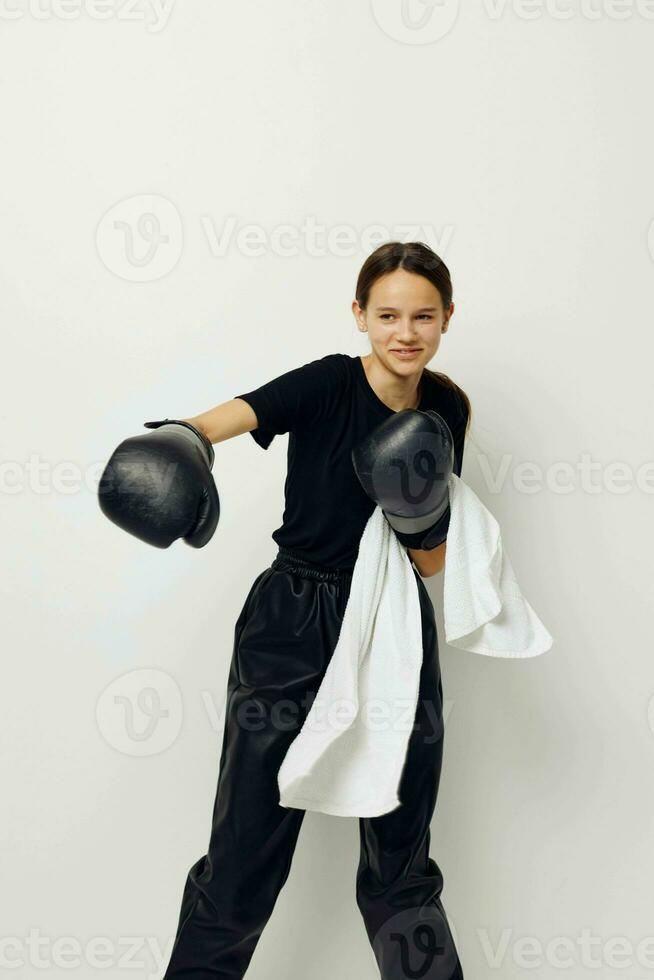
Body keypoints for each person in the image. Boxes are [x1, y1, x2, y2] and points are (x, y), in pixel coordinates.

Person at [103, 240, 471, 979]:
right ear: (360, 314)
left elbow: (433, 563)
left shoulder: (448, 409)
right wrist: (179, 443)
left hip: (391, 625)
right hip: (291, 625)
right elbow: (219, 421)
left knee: (401, 859)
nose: (406, 332)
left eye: (423, 316)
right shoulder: (328, 384)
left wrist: (420, 518)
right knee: (244, 859)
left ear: (447, 319)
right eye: (389, 313)